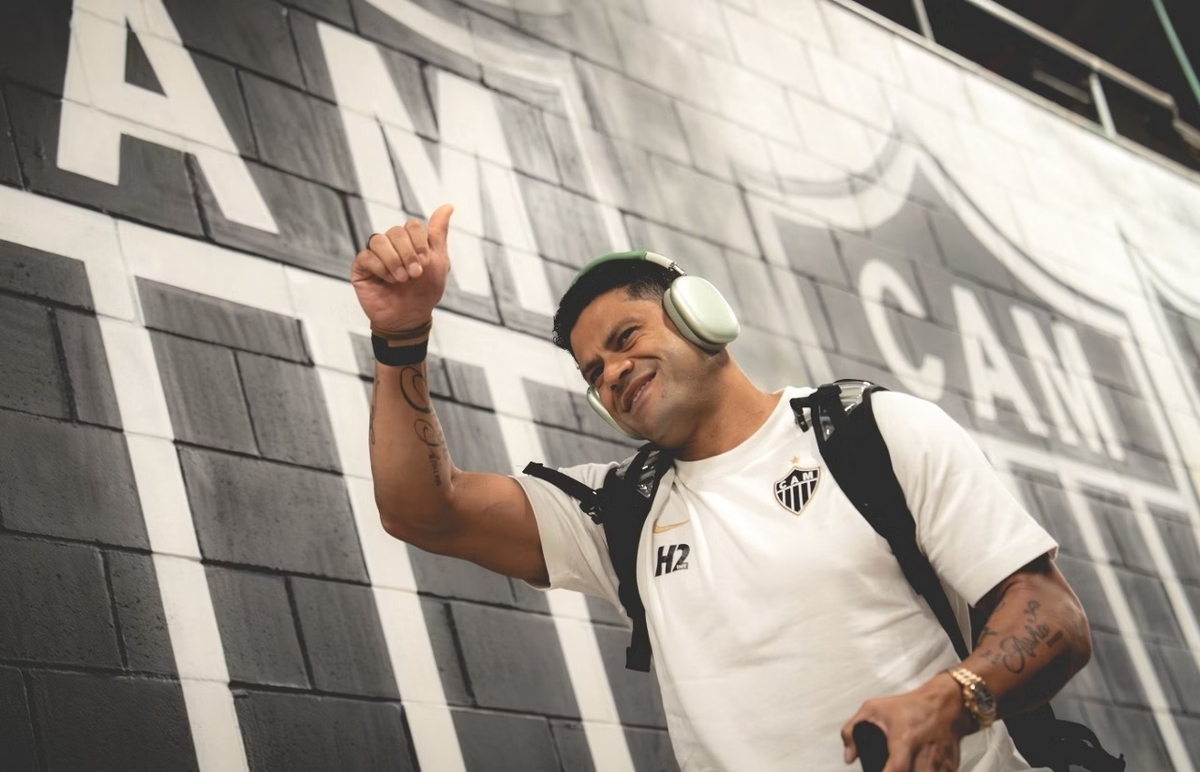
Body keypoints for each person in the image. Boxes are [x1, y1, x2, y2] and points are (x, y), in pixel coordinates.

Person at [350, 206, 1093, 772]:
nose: (612, 372)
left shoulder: (873, 432)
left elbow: (1055, 617)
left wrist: (953, 699)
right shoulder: (620, 515)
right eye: (593, 373)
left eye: (626, 337)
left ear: (700, 316)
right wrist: (402, 336)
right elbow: (424, 512)